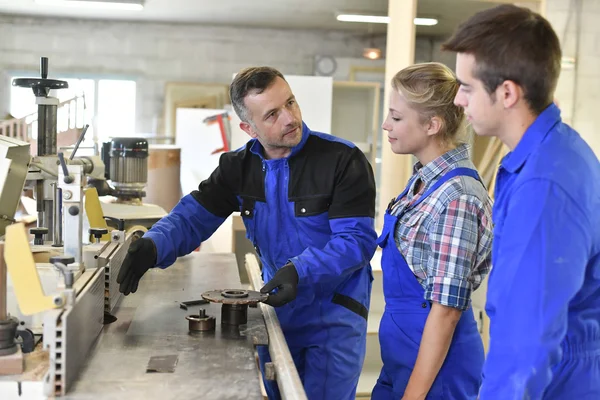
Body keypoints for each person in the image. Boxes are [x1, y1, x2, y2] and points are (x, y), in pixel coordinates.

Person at [116, 66, 378, 400]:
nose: (289, 118)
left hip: (333, 317)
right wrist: (154, 244)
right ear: (248, 127)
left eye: (290, 103)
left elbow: (355, 241)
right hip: (276, 310)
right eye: (272, 114)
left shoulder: (342, 160)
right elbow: (192, 217)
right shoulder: (238, 168)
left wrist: (300, 269)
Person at [443, 4, 600, 399]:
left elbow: (525, 344)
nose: (459, 100)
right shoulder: (553, 152)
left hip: (557, 383)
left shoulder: (543, 183)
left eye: (467, 87)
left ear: (507, 92)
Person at [372, 62, 493, 400]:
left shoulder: (457, 196)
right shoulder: (424, 180)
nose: (386, 125)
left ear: (432, 124)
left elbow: (446, 311)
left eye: (396, 118)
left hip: (437, 371)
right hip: (405, 356)